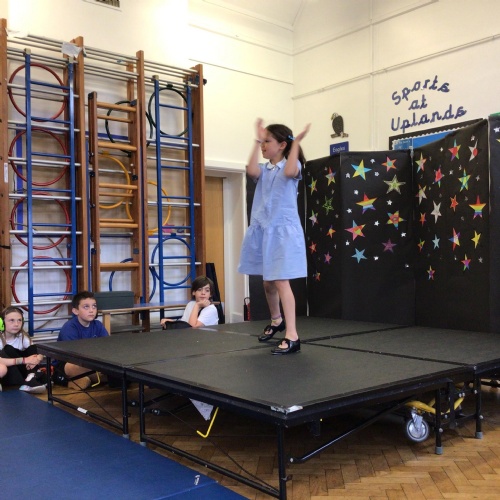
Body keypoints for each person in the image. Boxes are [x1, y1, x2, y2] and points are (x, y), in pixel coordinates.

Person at [238, 118, 310, 355]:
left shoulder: (292, 165)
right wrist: (256, 139)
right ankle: (277, 320)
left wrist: (296, 142)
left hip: (283, 232)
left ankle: (292, 336)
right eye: (262, 142)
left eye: (267, 142)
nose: (263, 146)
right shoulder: (265, 169)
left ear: (282, 145)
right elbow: (250, 170)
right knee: (267, 282)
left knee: (280, 281)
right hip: (264, 230)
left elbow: (290, 171)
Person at [55, 291, 109, 390]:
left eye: (94, 306)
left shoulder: (98, 325)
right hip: (69, 363)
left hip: (92, 362)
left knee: (111, 369)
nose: (91, 310)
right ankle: (70, 380)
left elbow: (107, 346)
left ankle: (86, 379)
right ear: (75, 311)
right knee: (76, 367)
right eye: (86, 307)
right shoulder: (70, 328)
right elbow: (73, 356)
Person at [0, 306, 46, 393]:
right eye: (11, 320)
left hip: (23, 371)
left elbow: (39, 352)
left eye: (19, 320)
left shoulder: (22, 336)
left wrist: (37, 359)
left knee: (33, 348)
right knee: (8, 349)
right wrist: (25, 360)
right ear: (2, 322)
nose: (16, 324)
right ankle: (32, 378)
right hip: (10, 374)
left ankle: (31, 377)